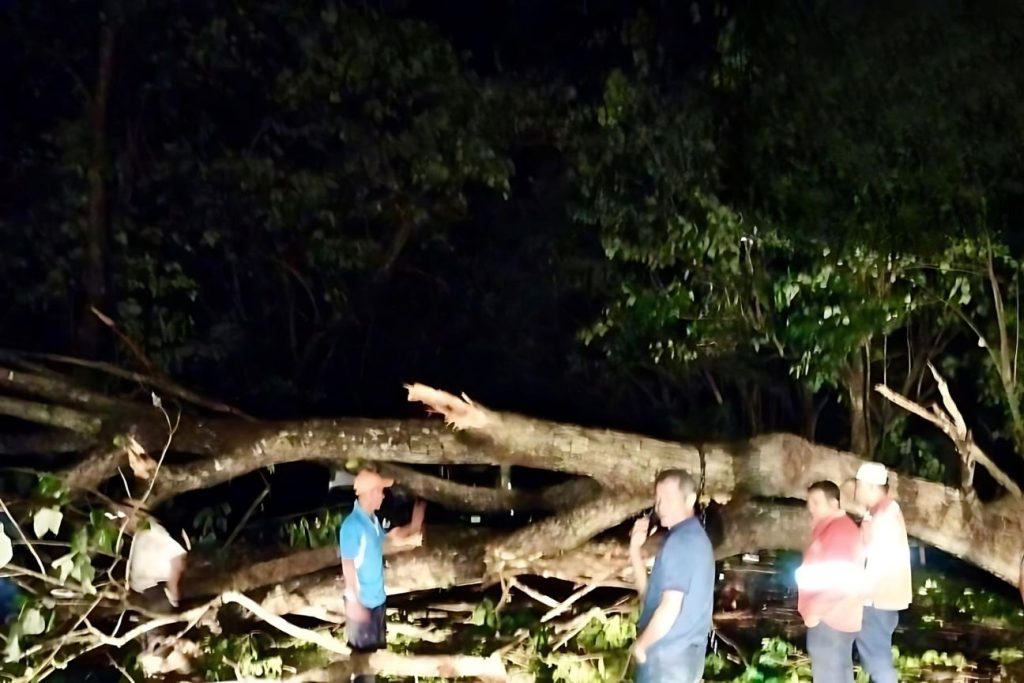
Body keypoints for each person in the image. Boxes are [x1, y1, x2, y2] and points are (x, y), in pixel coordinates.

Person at [629, 469, 715, 683]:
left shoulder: (680, 542)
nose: (660, 507)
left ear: (690, 499)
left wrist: (642, 645)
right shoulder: (695, 539)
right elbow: (649, 598)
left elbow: (669, 607)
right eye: (658, 500)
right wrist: (635, 550)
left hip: (664, 662)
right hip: (685, 663)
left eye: (668, 498)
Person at [339, 469, 425, 680]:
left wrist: (413, 528)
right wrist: (354, 602)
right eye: (380, 491)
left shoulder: (371, 521)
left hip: (376, 603)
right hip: (363, 606)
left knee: (373, 663)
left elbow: (389, 537)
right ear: (370, 493)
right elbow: (348, 564)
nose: (384, 496)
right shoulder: (352, 525)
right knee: (363, 668)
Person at [795, 480, 865, 683]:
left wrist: (814, 612)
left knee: (830, 674)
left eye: (816, 503)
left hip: (830, 618)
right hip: (834, 617)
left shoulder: (839, 531)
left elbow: (840, 580)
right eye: (809, 503)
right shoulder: (833, 529)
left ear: (833, 504)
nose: (811, 508)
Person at [854, 462, 912, 683]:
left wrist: (861, 595)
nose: (855, 491)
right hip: (883, 600)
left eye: (858, 485)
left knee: (878, 663)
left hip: (877, 600)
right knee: (876, 660)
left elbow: (871, 559)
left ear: (870, 486)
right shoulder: (884, 512)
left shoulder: (883, 517)